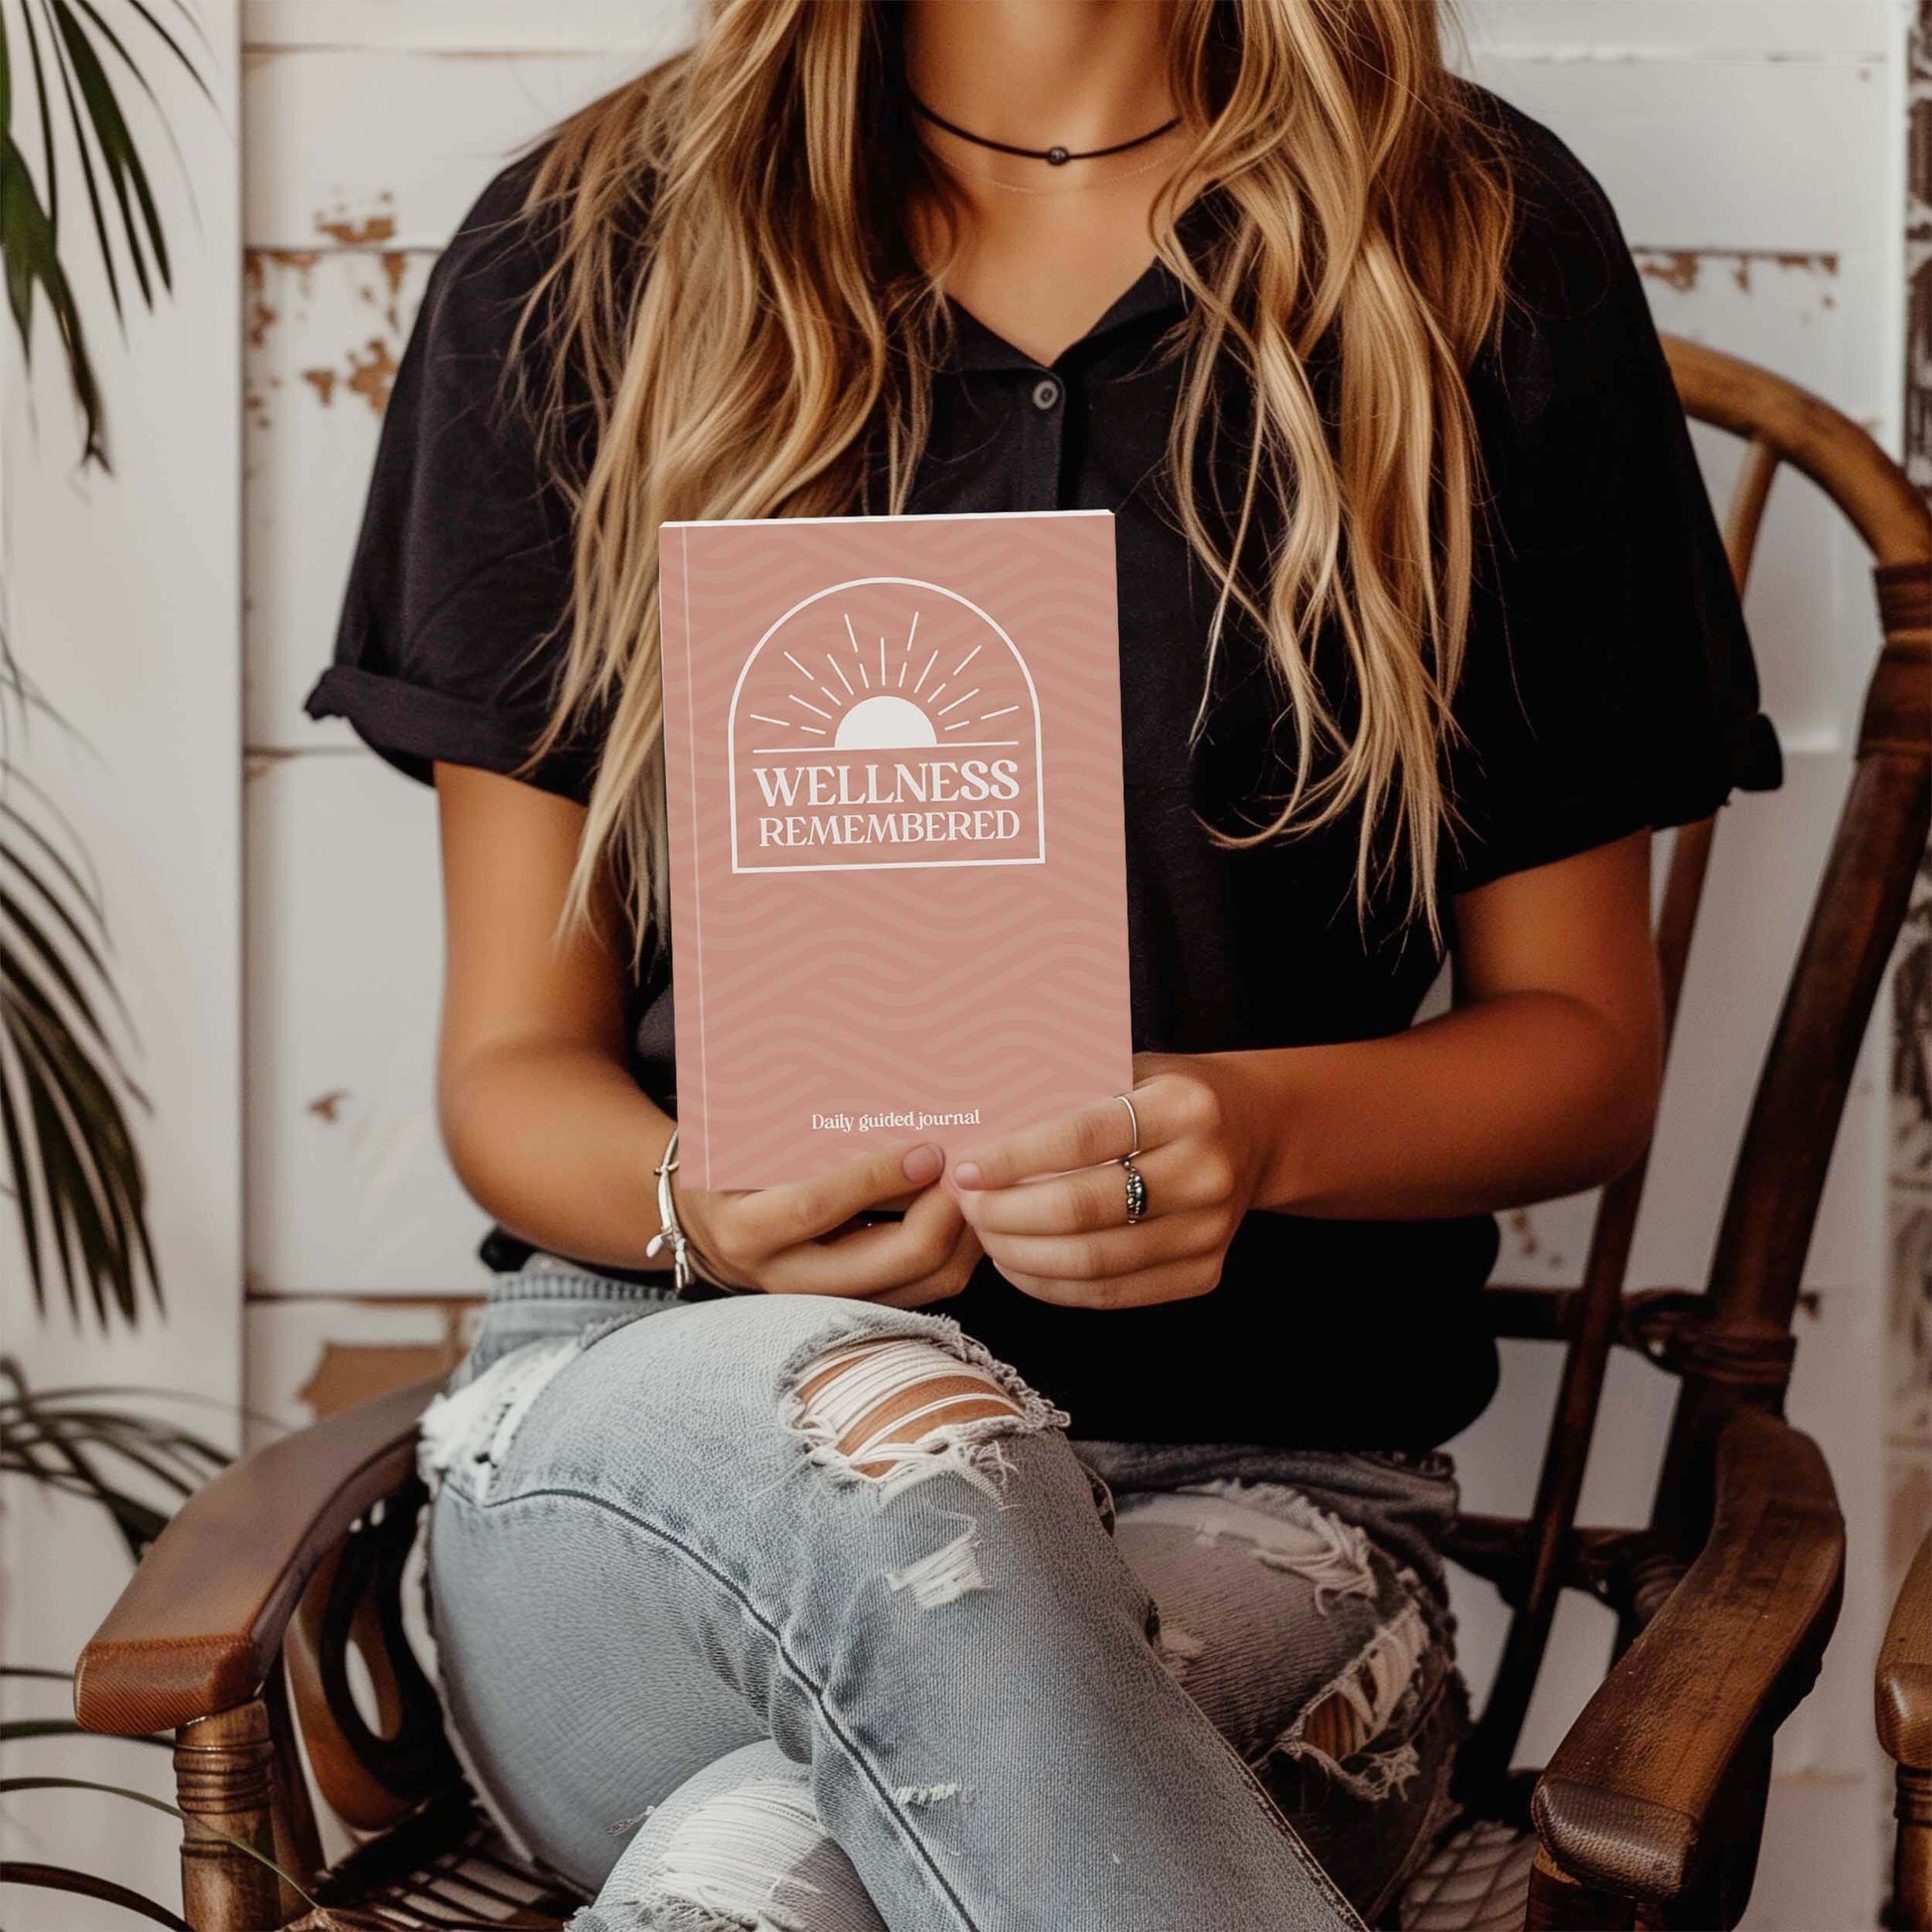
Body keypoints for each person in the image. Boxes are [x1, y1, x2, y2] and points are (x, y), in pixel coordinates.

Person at [307, 2, 1779, 1926]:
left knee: (780, 1876)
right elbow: (512, 1066)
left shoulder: (1468, 238)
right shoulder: (585, 251)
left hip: (1249, 1495)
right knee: (909, 1454)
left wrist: (1253, 1129)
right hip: (675, 1422)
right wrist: (702, 1205)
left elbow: (1581, 1048)